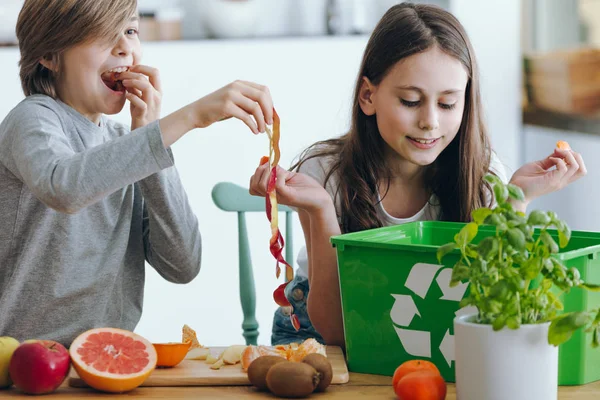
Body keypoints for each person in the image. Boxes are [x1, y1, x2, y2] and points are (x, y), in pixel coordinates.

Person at [249, 2, 586, 348]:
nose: (430, 122)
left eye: (447, 104)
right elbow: (336, 331)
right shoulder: (325, 173)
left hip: (432, 340)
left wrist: (517, 199)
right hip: (318, 337)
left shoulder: (483, 177)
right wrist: (320, 210)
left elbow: (491, 310)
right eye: (411, 101)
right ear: (368, 96)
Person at [0, 0, 274, 347]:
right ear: (50, 55)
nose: (125, 47)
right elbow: (64, 187)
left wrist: (148, 132)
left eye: (130, 31)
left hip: (109, 359)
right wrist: (188, 118)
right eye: (102, 32)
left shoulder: (126, 145)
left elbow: (182, 265)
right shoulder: (33, 119)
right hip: (22, 363)